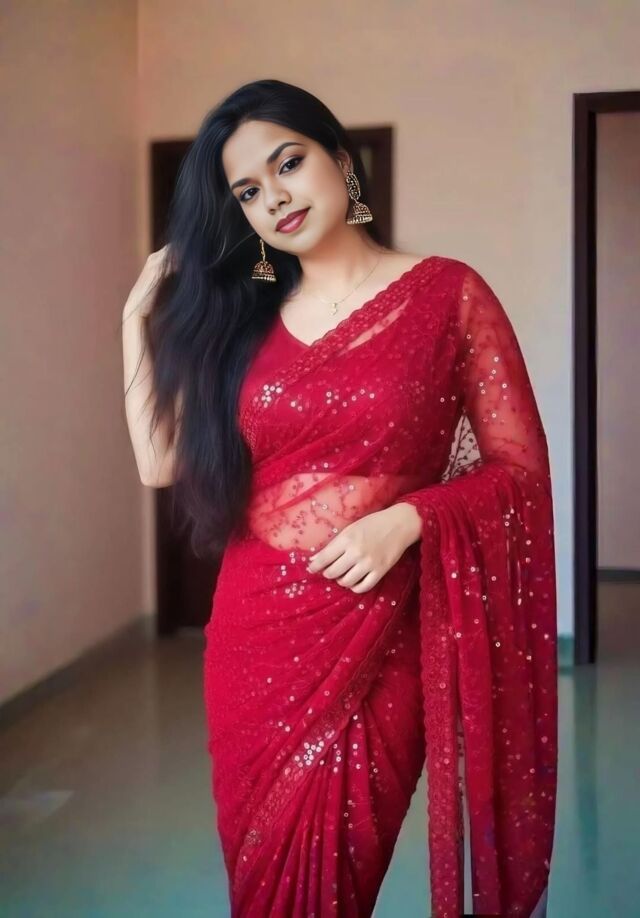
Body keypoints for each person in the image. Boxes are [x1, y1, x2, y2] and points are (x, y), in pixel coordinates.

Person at [122, 79, 557, 918]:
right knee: (262, 888)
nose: (274, 197)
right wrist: (137, 315)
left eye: (288, 164)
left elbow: (520, 471)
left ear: (342, 162)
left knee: (337, 886)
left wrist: (411, 518)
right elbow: (157, 463)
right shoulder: (245, 324)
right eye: (248, 191)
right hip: (252, 643)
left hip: (379, 639)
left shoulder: (448, 295)